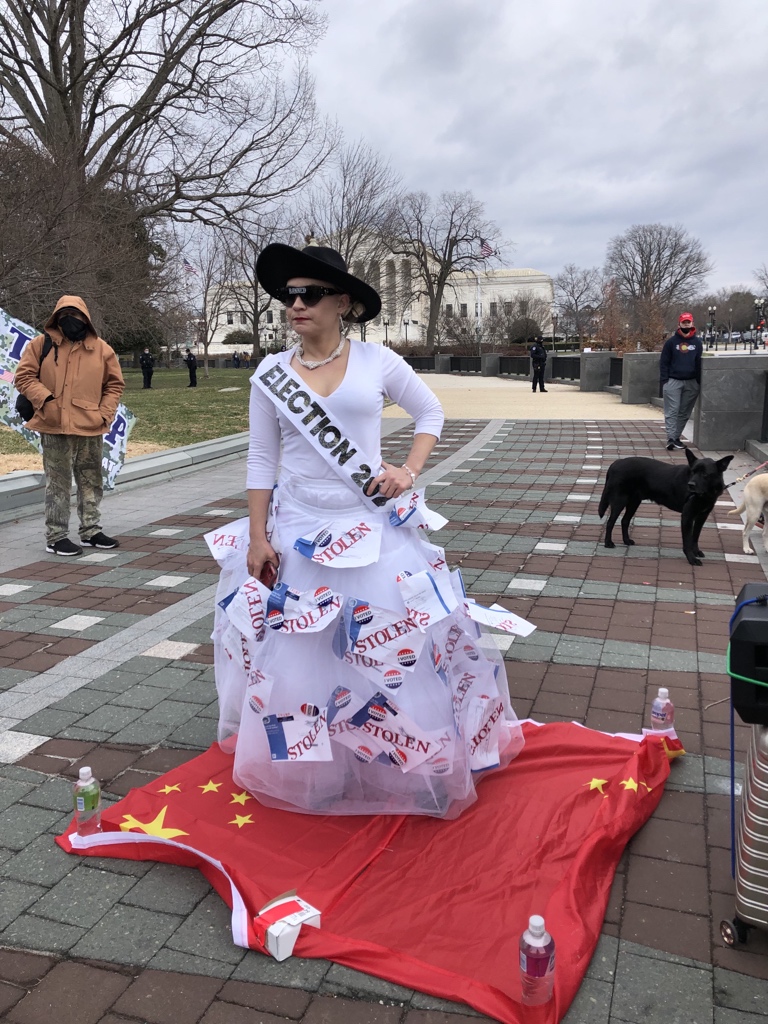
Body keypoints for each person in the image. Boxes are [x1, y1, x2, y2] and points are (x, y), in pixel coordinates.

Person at [212, 241, 524, 819]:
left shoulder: (378, 362)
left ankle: (393, 763)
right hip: (299, 531)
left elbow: (432, 414)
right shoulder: (271, 373)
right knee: (304, 658)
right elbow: (261, 459)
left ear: (343, 302)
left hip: (370, 530)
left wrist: (408, 471)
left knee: (387, 653)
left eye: (309, 295)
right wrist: (258, 537)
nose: (295, 304)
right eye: (289, 296)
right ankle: (317, 768)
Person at [15, 295, 124, 556]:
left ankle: (90, 531)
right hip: (54, 426)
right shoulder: (41, 345)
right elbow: (24, 376)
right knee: (58, 484)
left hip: (90, 426)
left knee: (91, 480)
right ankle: (56, 536)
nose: (70, 320)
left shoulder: (101, 349)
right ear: (56, 317)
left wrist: (104, 415)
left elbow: (114, 385)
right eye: (64, 315)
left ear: (85, 318)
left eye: (75, 315)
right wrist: (46, 400)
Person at [659, 312, 702, 450]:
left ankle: (676, 437)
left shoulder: (697, 343)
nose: (686, 325)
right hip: (673, 381)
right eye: (684, 322)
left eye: (688, 322)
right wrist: (665, 380)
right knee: (672, 411)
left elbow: (699, 362)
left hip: (691, 382)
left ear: (692, 324)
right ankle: (671, 438)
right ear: (679, 324)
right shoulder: (671, 342)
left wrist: (698, 382)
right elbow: (664, 362)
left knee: (684, 412)